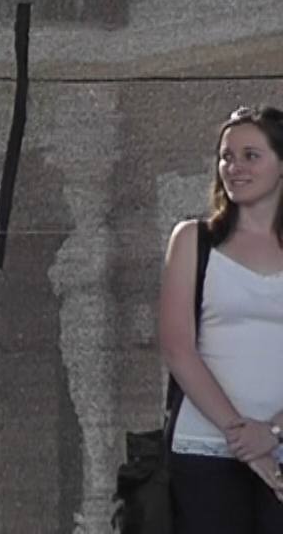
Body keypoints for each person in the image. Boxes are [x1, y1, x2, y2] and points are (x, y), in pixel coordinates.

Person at [159, 106, 283, 529]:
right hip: (205, 447)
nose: (234, 167)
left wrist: (272, 433)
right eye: (226, 156)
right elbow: (178, 348)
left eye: (251, 156)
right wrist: (242, 436)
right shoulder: (194, 240)